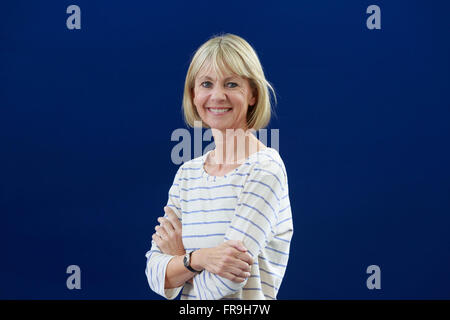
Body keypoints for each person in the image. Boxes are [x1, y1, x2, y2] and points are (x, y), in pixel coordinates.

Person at [145, 33, 293, 300]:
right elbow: (155, 274)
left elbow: (224, 284)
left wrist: (181, 260)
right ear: (193, 95)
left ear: (252, 95)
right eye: (206, 83)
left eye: (232, 84)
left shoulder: (265, 169)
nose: (217, 95)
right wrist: (201, 259)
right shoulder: (187, 174)